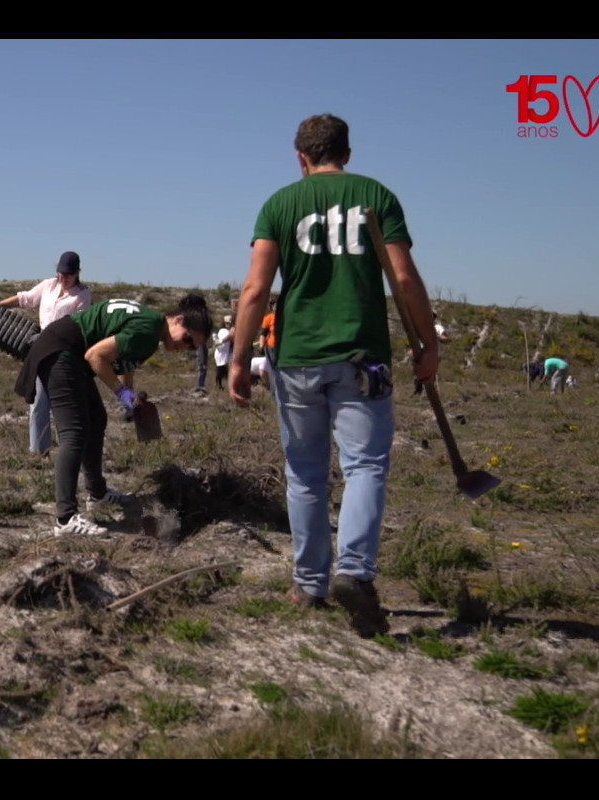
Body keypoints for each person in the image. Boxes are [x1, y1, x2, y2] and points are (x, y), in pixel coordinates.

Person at [228, 113, 439, 638]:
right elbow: (405, 278)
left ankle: (309, 584)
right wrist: (428, 343)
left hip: (296, 357)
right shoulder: (377, 196)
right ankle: (356, 572)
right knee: (365, 466)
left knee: (305, 473)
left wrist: (236, 359)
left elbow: (255, 291)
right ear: (347, 152)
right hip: (361, 357)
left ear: (301, 158)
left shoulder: (280, 204)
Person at [16, 294, 213, 537]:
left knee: (97, 419)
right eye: (188, 340)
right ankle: (65, 518)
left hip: (69, 352)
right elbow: (95, 356)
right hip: (62, 352)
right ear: (179, 320)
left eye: (193, 348)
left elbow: (124, 362)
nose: (186, 348)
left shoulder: (150, 325)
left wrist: (128, 394)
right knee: (73, 433)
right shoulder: (149, 331)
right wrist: (121, 393)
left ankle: (97, 493)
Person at [0, 251, 92, 455]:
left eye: (68, 275)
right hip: (41, 350)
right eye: (60, 274)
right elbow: (26, 299)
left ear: (77, 273)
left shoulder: (83, 295)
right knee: (38, 401)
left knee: (64, 404)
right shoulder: (48, 285)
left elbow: (81, 324)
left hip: (64, 353)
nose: (63, 279)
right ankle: (39, 452)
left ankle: (72, 450)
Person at [213, 315, 233, 392]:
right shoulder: (223, 331)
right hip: (221, 353)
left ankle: (220, 385)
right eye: (227, 323)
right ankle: (219, 385)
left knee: (222, 370)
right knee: (220, 370)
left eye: (229, 323)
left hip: (224, 353)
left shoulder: (224, 331)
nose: (228, 325)